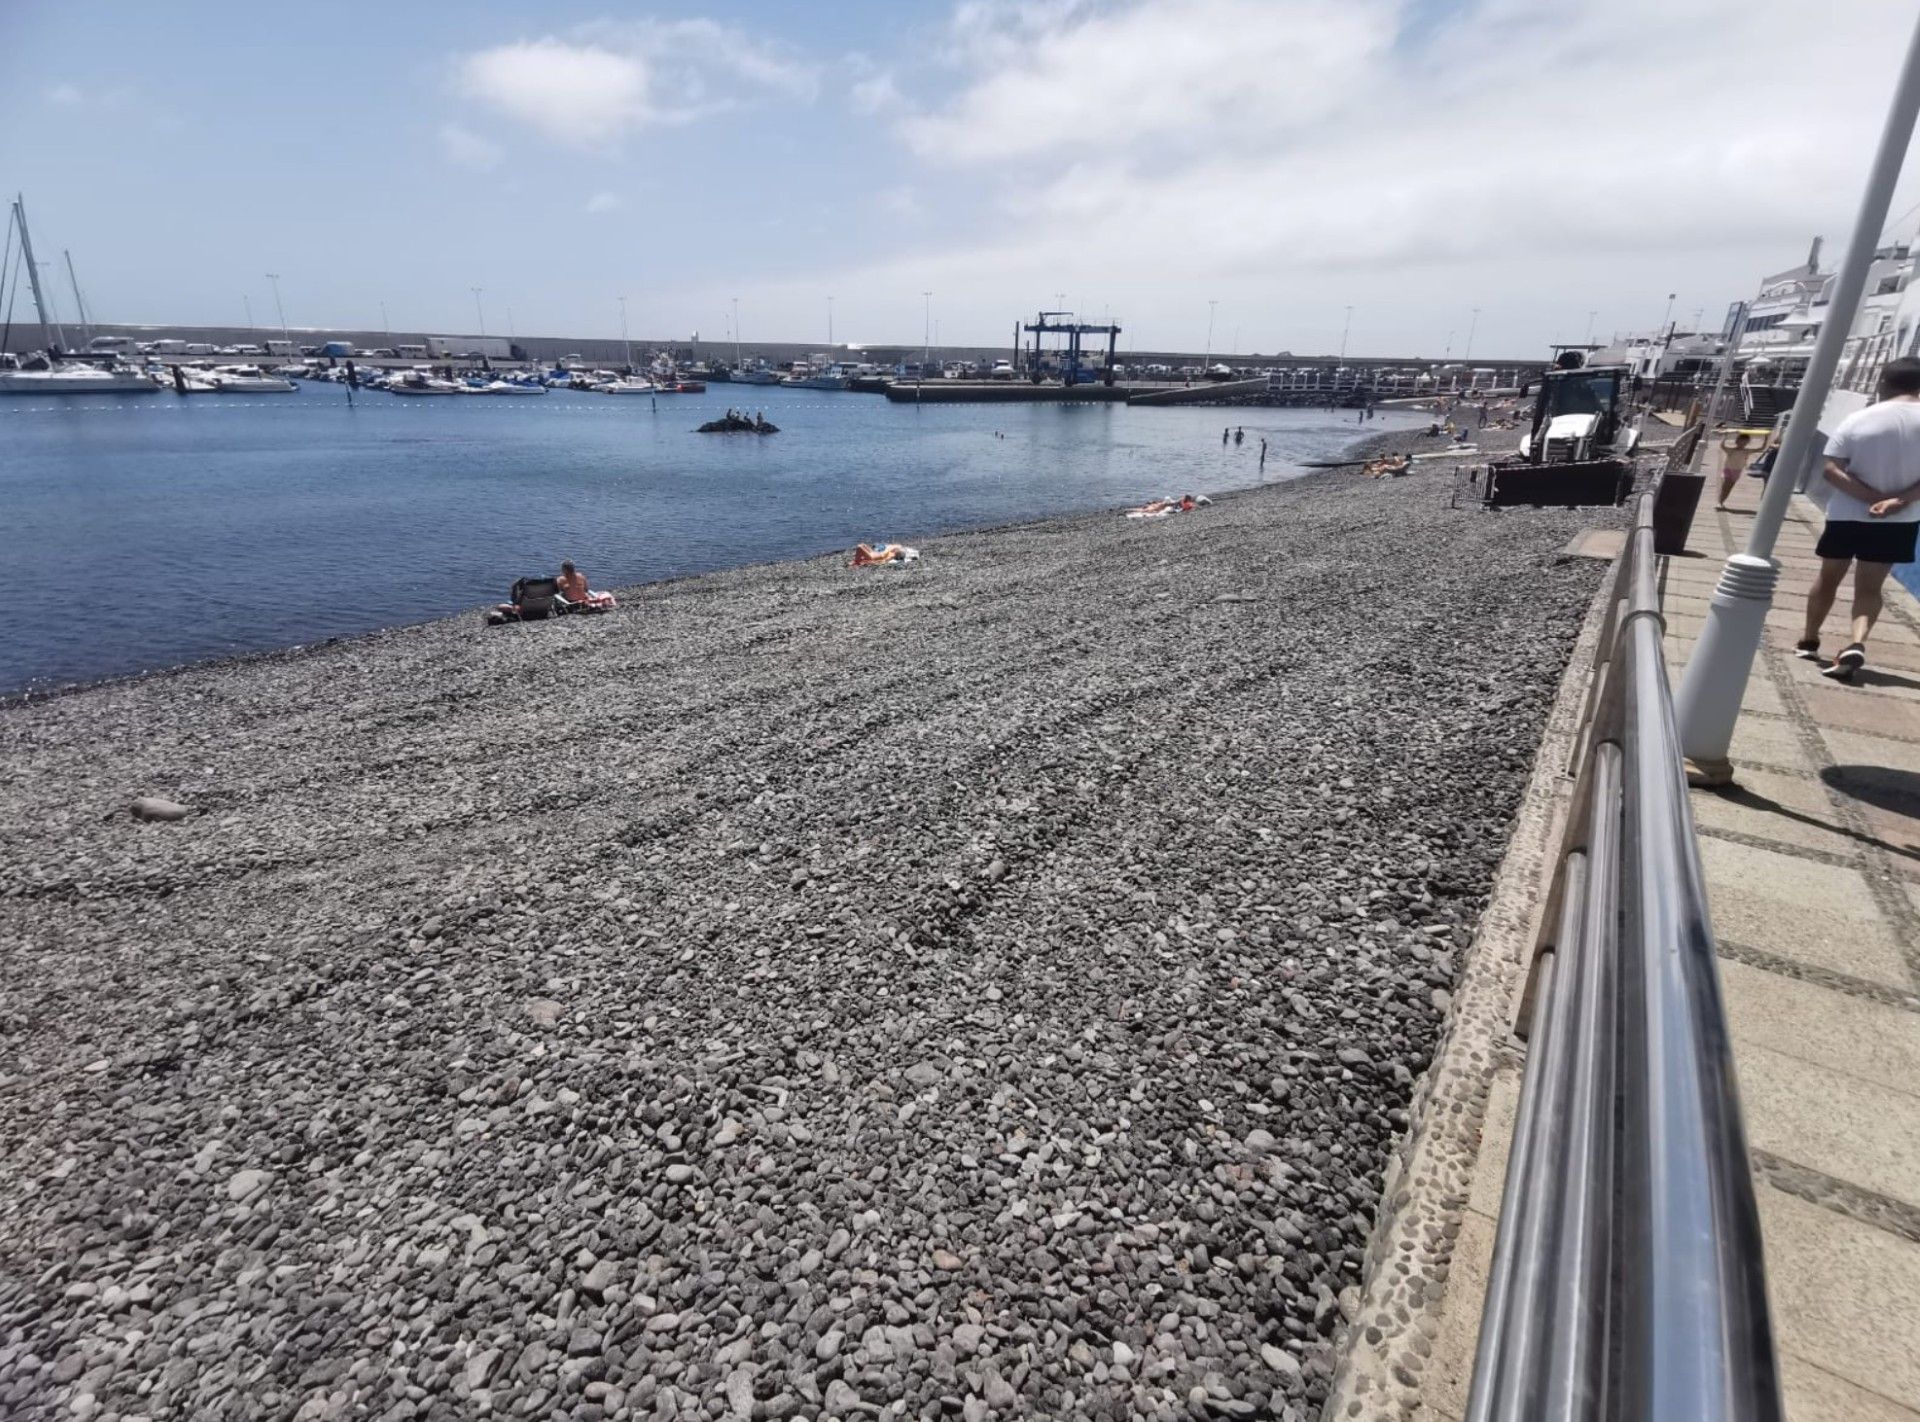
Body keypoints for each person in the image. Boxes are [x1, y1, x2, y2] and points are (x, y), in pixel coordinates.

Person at [1797, 356, 1920, 681]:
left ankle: (1809, 640)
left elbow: (1830, 470)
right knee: (1869, 588)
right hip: (1899, 521)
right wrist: (1896, 501)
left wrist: (1870, 498)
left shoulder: (1858, 418)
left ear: (1883, 383)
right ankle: (1856, 642)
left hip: (1847, 515)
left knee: (1828, 579)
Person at [1715, 430, 1757, 511]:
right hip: (1728, 469)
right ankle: (1719, 502)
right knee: (1725, 486)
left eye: (1744, 443)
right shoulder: (1731, 450)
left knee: (1729, 488)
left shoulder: (1746, 451)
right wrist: (1725, 436)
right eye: (1741, 442)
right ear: (1737, 441)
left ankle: (1722, 502)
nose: (1742, 444)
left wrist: (1766, 437)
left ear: (1747, 443)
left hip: (1737, 471)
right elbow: (1722, 446)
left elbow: (1761, 448)